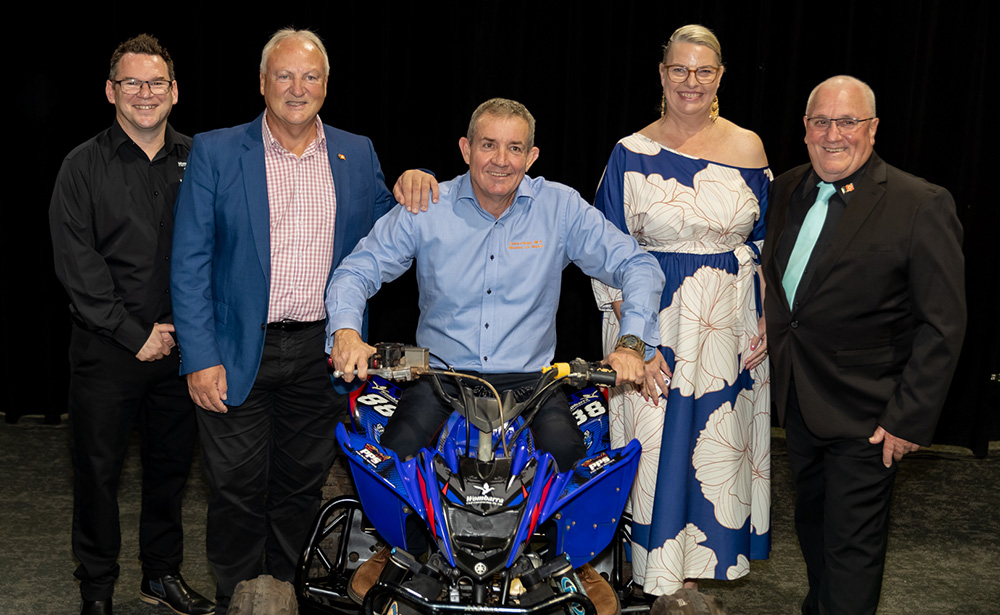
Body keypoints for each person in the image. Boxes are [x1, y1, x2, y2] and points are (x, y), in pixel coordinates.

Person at [329, 98, 666, 615]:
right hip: (440, 376)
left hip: (535, 381)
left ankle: (575, 563)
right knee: (395, 455)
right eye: (488, 145)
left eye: (514, 148)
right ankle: (398, 550)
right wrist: (347, 332)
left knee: (574, 462)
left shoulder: (561, 207)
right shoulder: (428, 206)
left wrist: (632, 342)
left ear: (532, 156)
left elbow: (638, 265)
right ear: (466, 149)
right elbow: (358, 270)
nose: (500, 160)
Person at [170, 29, 433, 614]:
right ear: (262, 83)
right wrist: (200, 357)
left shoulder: (356, 152)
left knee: (298, 487)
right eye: (284, 76)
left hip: (323, 353)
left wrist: (413, 183)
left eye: (310, 77)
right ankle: (239, 597)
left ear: (326, 85)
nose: (297, 88)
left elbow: (393, 233)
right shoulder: (215, 151)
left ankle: (282, 591)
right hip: (237, 351)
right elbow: (188, 264)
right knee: (235, 490)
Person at [762, 75, 966, 615]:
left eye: (848, 121)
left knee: (851, 548)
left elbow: (942, 324)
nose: (834, 134)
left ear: (872, 130)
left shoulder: (920, 203)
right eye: (821, 121)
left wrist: (908, 417)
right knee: (813, 531)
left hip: (871, 414)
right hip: (799, 405)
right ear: (805, 129)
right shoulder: (784, 188)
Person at [591, 25, 771, 597]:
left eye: (704, 71)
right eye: (679, 69)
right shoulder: (630, 151)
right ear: (662, 74)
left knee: (715, 451)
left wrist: (769, 316)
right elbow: (603, 251)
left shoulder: (750, 147)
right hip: (653, 322)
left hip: (728, 327)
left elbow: (769, 243)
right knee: (654, 450)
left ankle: (698, 581)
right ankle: (653, 578)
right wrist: (634, 343)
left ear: (720, 77)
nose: (690, 82)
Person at [48, 34, 214, 615]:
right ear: (110, 91)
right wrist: (132, 332)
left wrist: (187, 332)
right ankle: (96, 591)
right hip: (107, 352)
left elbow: (220, 250)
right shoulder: (81, 166)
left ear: (175, 92)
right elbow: (76, 262)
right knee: (96, 477)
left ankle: (161, 576)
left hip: (183, 348)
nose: (145, 94)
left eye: (156, 83)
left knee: (171, 472)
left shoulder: (203, 160)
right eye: (131, 83)